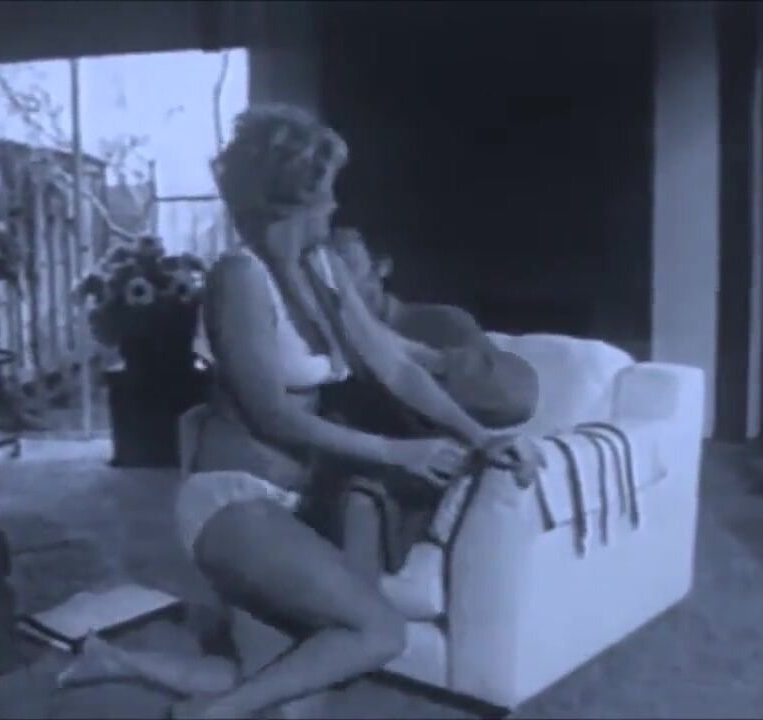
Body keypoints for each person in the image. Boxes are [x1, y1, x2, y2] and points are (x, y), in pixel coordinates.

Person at [59, 105, 542, 720]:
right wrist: (399, 452)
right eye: (328, 192)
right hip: (230, 500)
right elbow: (271, 415)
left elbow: (395, 366)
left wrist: (478, 436)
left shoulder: (324, 268)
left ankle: (114, 662)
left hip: (292, 502)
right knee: (379, 633)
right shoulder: (238, 278)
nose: (336, 206)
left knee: (285, 685)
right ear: (290, 201)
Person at [321, 227, 541, 578]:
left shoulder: (438, 321)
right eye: (326, 262)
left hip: (414, 477)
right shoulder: (316, 329)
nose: (335, 275)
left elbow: (515, 393)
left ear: (381, 267)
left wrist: (421, 357)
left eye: (345, 258)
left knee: (361, 501)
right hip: (342, 463)